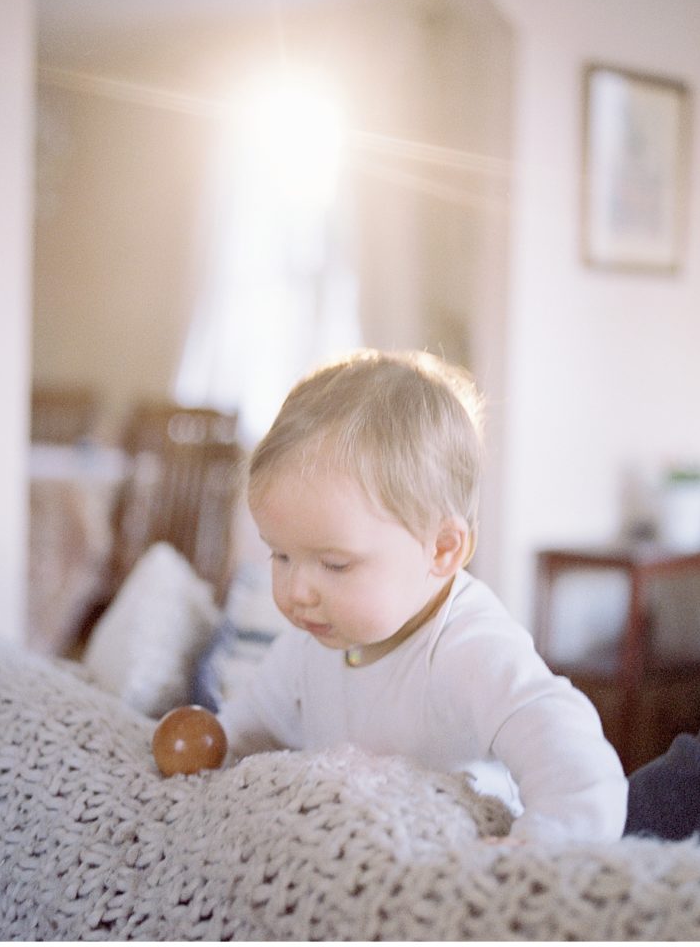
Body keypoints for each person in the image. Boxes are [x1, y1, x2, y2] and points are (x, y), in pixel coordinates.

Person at [218, 349, 627, 843]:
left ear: (441, 550)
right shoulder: (309, 647)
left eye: (334, 564)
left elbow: (581, 774)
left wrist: (531, 858)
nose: (296, 590)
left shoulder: (471, 647)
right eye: (280, 556)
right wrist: (206, 742)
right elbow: (241, 733)